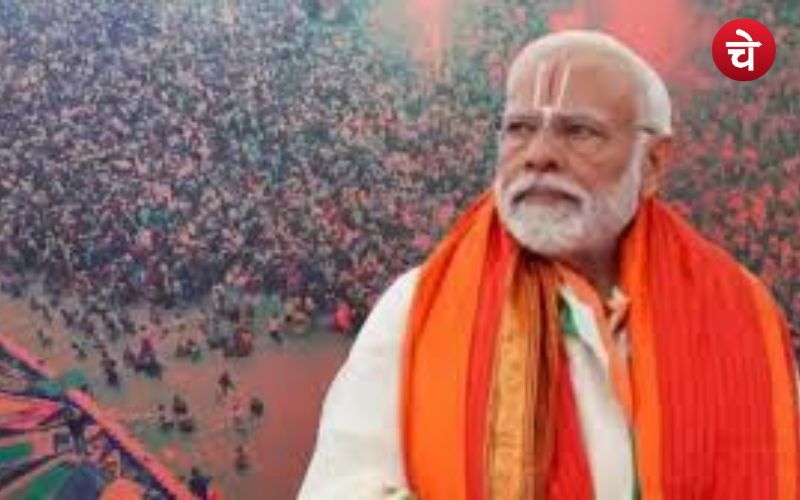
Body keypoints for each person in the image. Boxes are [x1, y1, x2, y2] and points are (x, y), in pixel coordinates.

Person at [300, 30, 800, 499]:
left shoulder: (740, 312)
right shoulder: (418, 305)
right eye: (519, 129)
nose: (539, 155)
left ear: (652, 164)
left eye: (579, 132)